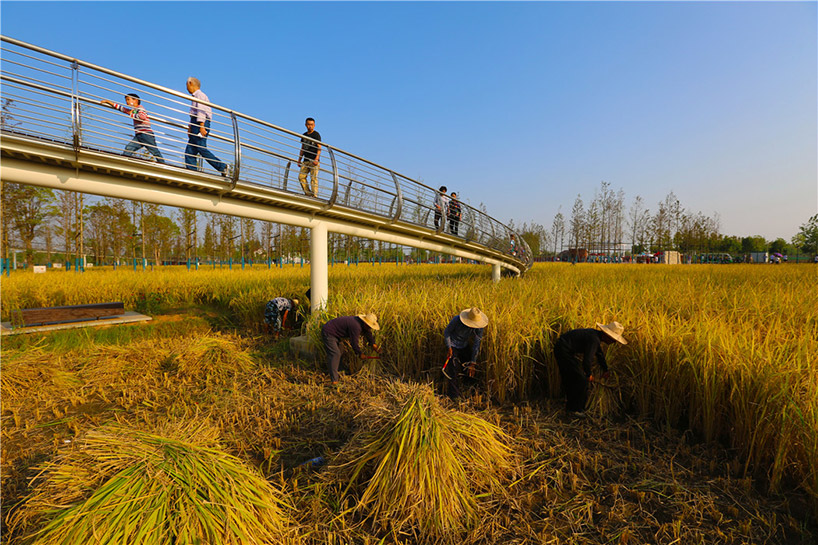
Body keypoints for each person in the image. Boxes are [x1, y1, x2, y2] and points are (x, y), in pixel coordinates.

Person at [553, 322, 627, 416]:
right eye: (614, 339)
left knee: (574, 379)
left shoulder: (595, 336)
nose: (614, 342)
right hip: (563, 351)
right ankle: (575, 409)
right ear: (608, 335)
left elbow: (599, 354)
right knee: (582, 380)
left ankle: (572, 407)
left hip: (564, 351)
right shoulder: (594, 339)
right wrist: (589, 374)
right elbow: (587, 360)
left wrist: (605, 369)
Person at [100, 93, 165, 164]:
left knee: (154, 151)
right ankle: (123, 163)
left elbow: (142, 117)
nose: (127, 102)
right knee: (129, 148)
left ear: (135, 100)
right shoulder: (134, 110)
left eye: (128, 99)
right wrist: (109, 102)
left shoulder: (140, 108)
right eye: (126, 100)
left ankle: (162, 163)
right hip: (139, 135)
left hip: (146, 134)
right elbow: (123, 109)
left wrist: (131, 114)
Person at [184, 77, 227, 175]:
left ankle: (222, 166)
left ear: (190, 83)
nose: (186, 88)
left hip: (200, 123)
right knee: (190, 151)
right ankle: (192, 172)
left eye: (186, 85)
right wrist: (190, 127)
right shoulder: (195, 96)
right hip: (196, 123)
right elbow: (193, 113)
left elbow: (201, 111)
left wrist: (202, 126)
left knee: (201, 147)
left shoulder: (200, 95)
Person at [321, 313, 380, 384]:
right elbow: (353, 343)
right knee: (335, 354)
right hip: (328, 332)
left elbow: (368, 333)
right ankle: (334, 380)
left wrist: (373, 344)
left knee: (341, 350)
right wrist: (359, 354)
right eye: (369, 326)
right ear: (365, 323)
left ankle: (339, 371)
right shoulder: (356, 326)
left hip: (335, 333)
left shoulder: (362, 324)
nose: (370, 328)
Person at [442, 307, 488, 399]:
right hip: (453, 345)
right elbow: (447, 332)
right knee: (453, 370)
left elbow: (476, 344)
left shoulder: (479, 327)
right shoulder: (457, 320)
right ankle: (454, 396)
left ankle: (469, 391)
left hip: (464, 345)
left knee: (468, 368)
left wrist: (473, 362)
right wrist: (449, 347)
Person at [297, 117, 322, 197]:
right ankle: (308, 193)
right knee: (301, 177)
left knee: (313, 178)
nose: (310, 126)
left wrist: (317, 159)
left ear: (314, 125)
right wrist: (299, 159)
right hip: (306, 160)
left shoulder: (316, 135)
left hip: (314, 159)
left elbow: (319, 147)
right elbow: (302, 148)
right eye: (308, 124)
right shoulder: (304, 135)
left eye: (311, 125)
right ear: (305, 125)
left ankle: (314, 195)